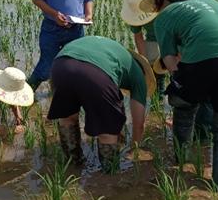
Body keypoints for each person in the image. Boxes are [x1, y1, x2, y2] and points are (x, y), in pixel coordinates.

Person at [139, 0, 218, 192]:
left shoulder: (164, 17)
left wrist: (185, 89)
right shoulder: (210, 2)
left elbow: (171, 62)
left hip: (206, 56)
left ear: (159, 1)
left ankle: (180, 160)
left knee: (180, 101)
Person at [47, 36, 156, 173]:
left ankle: (73, 164)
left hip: (60, 66)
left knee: (67, 118)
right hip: (97, 74)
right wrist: (135, 148)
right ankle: (108, 176)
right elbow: (138, 124)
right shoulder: (139, 76)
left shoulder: (115, 52)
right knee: (107, 130)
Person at [120, 0, 167, 94]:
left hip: (170, 35)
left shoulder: (162, 3)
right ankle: (158, 93)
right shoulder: (134, 13)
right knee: (154, 67)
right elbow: (138, 37)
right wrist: (145, 62)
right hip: (152, 40)